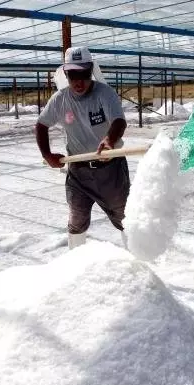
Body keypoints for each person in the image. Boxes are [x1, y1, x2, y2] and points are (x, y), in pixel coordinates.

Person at [35, 46, 129, 250]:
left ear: (91, 71)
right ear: (66, 74)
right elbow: (41, 125)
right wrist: (47, 154)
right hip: (77, 171)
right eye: (73, 75)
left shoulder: (105, 93)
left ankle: (136, 264)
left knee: (125, 218)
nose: (79, 81)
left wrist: (109, 141)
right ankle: (74, 268)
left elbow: (119, 122)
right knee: (76, 220)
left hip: (110, 170)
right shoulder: (60, 99)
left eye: (84, 74)